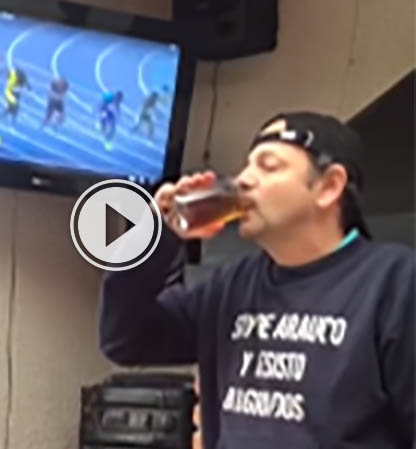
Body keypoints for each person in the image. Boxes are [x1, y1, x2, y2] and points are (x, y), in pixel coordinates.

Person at [99, 112, 414, 449]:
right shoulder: (231, 285)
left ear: (329, 186)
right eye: (246, 166)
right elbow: (125, 339)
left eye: (269, 166)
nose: (243, 180)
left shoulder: (395, 282)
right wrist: (154, 235)